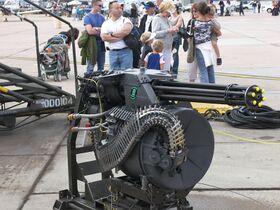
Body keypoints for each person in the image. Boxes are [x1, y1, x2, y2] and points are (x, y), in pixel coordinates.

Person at [101, 1, 133, 71]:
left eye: (120, 8)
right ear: (110, 10)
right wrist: (121, 37)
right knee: (113, 77)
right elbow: (104, 37)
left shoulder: (126, 20)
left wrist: (111, 34)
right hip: (112, 53)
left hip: (126, 52)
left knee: (126, 76)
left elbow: (125, 31)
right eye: (117, 8)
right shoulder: (106, 23)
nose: (120, 9)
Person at [193, 2, 217, 83]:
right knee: (210, 69)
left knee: (203, 71)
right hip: (209, 46)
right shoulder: (210, 22)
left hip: (200, 47)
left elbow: (190, 36)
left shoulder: (195, 23)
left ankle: (205, 91)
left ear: (199, 11)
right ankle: (213, 89)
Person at [152, 1, 178, 71]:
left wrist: (174, 31)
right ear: (163, 10)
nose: (169, 13)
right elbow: (155, 34)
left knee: (166, 69)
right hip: (159, 48)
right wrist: (167, 31)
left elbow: (170, 32)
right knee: (159, 69)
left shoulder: (167, 19)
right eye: (168, 12)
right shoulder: (157, 19)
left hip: (168, 47)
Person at [83, 0, 105, 75]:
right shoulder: (87, 17)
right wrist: (100, 30)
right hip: (92, 44)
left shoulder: (102, 17)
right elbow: (90, 31)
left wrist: (96, 29)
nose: (101, 7)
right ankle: (89, 83)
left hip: (101, 43)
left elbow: (105, 30)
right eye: (100, 5)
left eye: (101, 6)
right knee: (90, 66)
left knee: (101, 68)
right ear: (94, 5)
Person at [169, 5, 184, 78]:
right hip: (169, 38)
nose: (172, 10)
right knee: (169, 54)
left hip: (176, 38)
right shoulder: (170, 17)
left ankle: (174, 71)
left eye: (173, 8)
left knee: (175, 54)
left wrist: (171, 29)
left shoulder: (179, 17)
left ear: (177, 9)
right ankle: (170, 69)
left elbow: (177, 26)